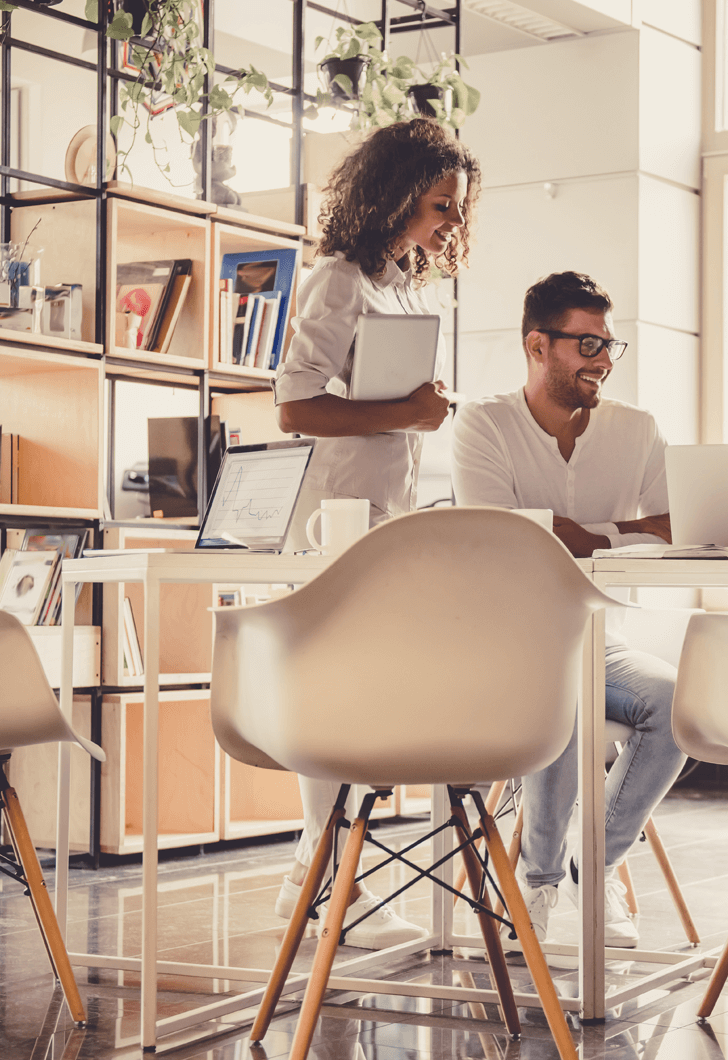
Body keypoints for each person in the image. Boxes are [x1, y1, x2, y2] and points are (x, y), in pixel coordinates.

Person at [269, 117, 481, 948]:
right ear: (394, 195)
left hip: (380, 519)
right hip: (336, 520)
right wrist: (411, 411)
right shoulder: (338, 280)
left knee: (362, 696)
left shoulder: (399, 284)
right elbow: (293, 404)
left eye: (458, 209)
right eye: (440, 204)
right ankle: (325, 878)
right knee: (337, 698)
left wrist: (413, 413)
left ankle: (315, 875)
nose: (451, 223)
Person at [452, 271, 687, 949]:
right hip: (503, 641)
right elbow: (502, 535)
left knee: (675, 703)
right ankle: (540, 879)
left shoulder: (636, 430)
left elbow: (679, 522)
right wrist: (612, 531)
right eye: (587, 345)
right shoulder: (485, 425)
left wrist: (588, 534)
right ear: (537, 346)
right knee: (566, 685)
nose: (605, 359)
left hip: (596, 633)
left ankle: (597, 868)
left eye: (610, 344)